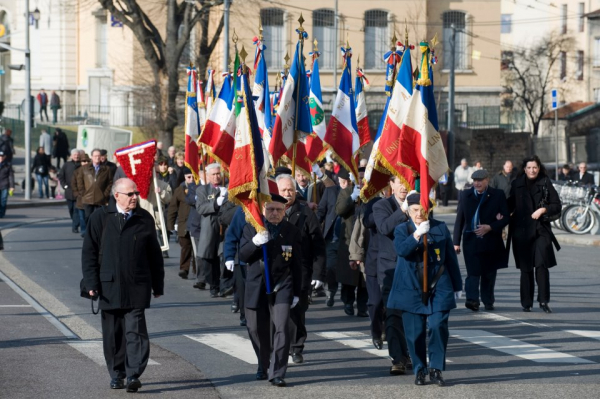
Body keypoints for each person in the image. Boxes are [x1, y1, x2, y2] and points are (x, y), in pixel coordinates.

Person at [81, 178, 164, 393]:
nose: (135, 197)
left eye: (136, 193)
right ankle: (117, 374)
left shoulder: (144, 219)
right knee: (114, 335)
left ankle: (134, 373)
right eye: (130, 194)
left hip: (137, 285)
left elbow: (154, 255)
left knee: (136, 332)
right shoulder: (100, 218)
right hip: (108, 286)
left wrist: (158, 284)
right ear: (116, 196)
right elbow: (89, 253)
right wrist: (91, 283)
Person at [387, 193, 463, 386]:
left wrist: (457, 285)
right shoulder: (401, 229)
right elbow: (403, 251)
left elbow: (450, 259)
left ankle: (436, 368)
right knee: (415, 333)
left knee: (438, 326)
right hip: (410, 286)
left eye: (422, 210)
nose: (419, 214)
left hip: (438, 284)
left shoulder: (440, 227)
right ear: (408, 211)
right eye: (414, 210)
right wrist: (417, 234)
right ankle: (420, 369)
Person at [239, 194, 303, 387]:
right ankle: (263, 362)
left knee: (281, 327)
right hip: (257, 283)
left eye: (279, 210)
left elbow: (298, 263)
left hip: (282, 284)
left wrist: (298, 292)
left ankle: (277, 372)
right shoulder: (252, 227)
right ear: (263, 211)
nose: (274, 213)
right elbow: (242, 254)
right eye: (270, 209)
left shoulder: (291, 231)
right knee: (255, 328)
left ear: (285, 211)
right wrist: (255, 242)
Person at [276, 174, 326, 364]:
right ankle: (280, 344)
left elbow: (317, 244)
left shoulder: (305, 213)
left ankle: (296, 347)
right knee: (279, 311)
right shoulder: (271, 211)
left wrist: (319, 273)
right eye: (283, 190)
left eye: (290, 190)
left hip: (301, 270)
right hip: (278, 270)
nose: (288, 193)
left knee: (297, 311)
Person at [508, 155, 561, 313]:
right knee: (526, 269)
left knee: (541, 265)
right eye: (529, 167)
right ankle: (526, 302)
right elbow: (509, 204)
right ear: (524, 169)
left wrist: (544, 209)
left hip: (540, 230)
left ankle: (543, 301)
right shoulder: (516, 184)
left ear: (539, 168)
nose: (532, 170)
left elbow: (557, 205)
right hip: (522, 231)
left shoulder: (545, 182)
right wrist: (499, 215)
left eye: (535, 167)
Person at [453, 169, 509, 312]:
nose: (477, 183)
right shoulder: (465, 195)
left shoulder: (497, 195)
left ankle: (488, 301)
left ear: (487, 180)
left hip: (491, 241)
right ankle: (472, 300)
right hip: (471, 240)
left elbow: (506, 217)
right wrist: (456, 242)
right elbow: (460, 219)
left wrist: (490, 226)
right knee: (473, 272)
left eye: (480, 180)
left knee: (489, 273)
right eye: (475, 181)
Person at [372, 176, 412, 375]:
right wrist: (404, 210)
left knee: (411, 314)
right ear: (392, 184)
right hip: (390, 268)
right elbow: (385, 227)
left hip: (413, 268)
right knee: (393, 312)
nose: (404, 186)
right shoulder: (382, 205)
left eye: (408, 181)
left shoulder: (419, 205)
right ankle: (397, 358)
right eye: (400, 182)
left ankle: (409, 353)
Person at [335, 167, 368, 317]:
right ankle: (348, 301)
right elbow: (340, 210)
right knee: (349, 276)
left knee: (364, 279)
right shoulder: (347, 191)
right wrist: (352, 197)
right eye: (359, 177)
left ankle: (362, 307)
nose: (361, 180)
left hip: (366, 240)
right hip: (349, 240)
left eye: (364, 177)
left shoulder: (371, 193)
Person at [195, 163, 232, 297]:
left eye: (218, 174)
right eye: (213, 174)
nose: (216, 177)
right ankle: (214, 285)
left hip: (226, 227)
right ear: (208, 176)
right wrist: (216, 203)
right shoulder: (202, 190)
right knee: (209, 259)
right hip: (210, 227)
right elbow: (200, 208)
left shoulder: (228, 188)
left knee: (224, 255)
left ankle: (225, 285)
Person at [167, 168, 198, 279]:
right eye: (188, 177)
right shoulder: (179, 190)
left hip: (196, 223)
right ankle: (184, 269)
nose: (191, 179)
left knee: (196, 249)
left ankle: (197, 269)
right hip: (183, 224)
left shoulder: (199, 188)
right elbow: (173, 208)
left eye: (193, 177)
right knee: (185, 247)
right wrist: (170, 225)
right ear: (184, 177)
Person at [316, 174, 341, 307]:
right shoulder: (331, 191)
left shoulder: (360, 193)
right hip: (332, 238)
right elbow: (321, 211)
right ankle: (331, 290)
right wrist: (313, 225)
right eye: (343, 180)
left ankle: (350, 300)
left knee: (352, 272)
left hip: (351, 239)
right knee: (330, 267)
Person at [77, 148, 113, 225]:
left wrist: (105, 194)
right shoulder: (84, 168)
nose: (97, 157)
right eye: (95, 156)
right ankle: (88, 234)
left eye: (99, 156)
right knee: (88, 218)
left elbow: (110, 182)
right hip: (87, 198)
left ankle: (97, 235)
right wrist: (83, 193)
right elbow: (80, 181)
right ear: (92, 157)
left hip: (100, 198)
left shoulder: (106, 169)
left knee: (99, 219)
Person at [58, 149, 82, 233]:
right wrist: (64, 185)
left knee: (76, 209)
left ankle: (75, 226)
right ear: (71, 156)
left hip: (79, 192)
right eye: (74, 155)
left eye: (77, 155)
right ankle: (75, 221)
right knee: (71, 209)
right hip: (69, 191)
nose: (76, 156)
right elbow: (61, 176)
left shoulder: (82, 165)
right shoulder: (66, 165)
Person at [71, 154, 90, 236]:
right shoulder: (77, 171)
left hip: (90, 197)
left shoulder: (92, 170)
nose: (85, 163)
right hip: (80, 197)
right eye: (83, 161)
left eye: (87, 161)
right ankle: (83, 230)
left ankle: (89, 231)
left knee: (89, 216)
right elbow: (73, 183)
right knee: (82, 216)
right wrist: (76, 193)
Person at [0, 151, 15, 218]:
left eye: (2, 156)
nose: (1, 157)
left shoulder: (7, 165)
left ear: (5, 157)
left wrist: (12, 186)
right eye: (0, 156)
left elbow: (11, 176)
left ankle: (1, 213)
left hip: (4, 184)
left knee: (3, 199)